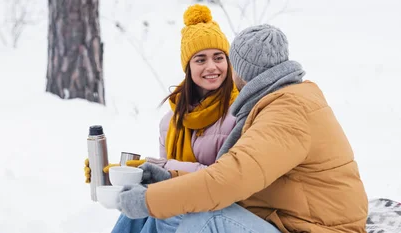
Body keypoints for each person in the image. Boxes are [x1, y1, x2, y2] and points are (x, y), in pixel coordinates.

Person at [116, 24, 369, 233]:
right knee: (168, 212)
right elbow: (232, 177)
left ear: (240, 69)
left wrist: (150, 200)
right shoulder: (279, 101)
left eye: (223, 59)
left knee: (202, 219)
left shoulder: (287, 112)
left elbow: (226, 180)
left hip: (318, 228)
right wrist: (169, 179)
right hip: (289, 219)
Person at [85, 4, 239, 232]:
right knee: (137, 211)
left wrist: (161, 168)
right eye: (200, 60)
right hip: (186, 203)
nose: (212, 67)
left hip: (224, 208)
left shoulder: (239, 111)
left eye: (218, 57)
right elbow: (164, 180)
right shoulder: (171, 122)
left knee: (158, 213)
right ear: (188, 67)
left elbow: (226, 177)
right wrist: (117, 173)